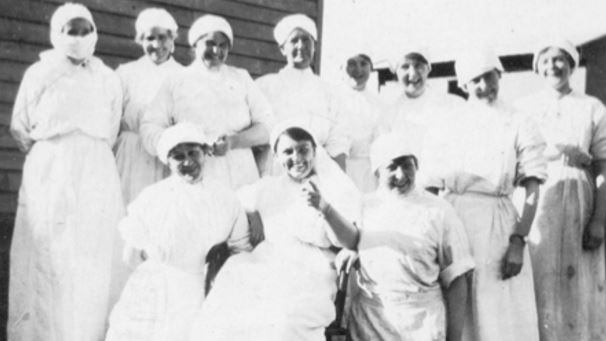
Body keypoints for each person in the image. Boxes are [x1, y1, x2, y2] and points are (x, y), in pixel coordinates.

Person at [8, 3, 124, 340]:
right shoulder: (40, 73)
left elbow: (112, 125)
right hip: (52, 166)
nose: (78, 38)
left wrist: (88, 150)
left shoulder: (107, 77)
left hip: (96, 168)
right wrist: (54, 153)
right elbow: (21, 125)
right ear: (57, 34)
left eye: (85, 30)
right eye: (70, 31)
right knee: (52, 250)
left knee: (93, 250)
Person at [188, 125, 361, 341]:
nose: (296, 158)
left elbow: (350, 240)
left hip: (311, 270)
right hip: (268, 264)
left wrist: (325, 209)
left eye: (303, 150)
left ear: (314, 152)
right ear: (277, 156)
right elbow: (231, 203)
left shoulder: (332, 188)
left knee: (283, 320)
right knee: (227, 307)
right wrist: (251, 213)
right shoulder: (269, 187)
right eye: (288, 152)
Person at [428, 50, 548, 341]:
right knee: (459, 298)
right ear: (464, 85)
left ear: (500, 76)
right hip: (455, 219)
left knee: (497, 308)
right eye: (475, 80)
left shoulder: (519, 121)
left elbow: (533, 188)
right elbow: (430, 184)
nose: (483, 85)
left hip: (499, 224)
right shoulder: (448, 121)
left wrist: (519, 240)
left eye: (489, 76)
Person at [106, 123, 252, 341]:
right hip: (154, 287)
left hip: (197, 290)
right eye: (178, 156)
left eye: (193, 153)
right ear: (167, 161)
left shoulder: (225, 198)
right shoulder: (153, 196)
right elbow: (131, 252)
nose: (187, 162)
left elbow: (240, 248)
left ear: (205, 153)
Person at [338, 133, 474, 341]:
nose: (401, 175)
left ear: (416, 167)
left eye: (407, 165)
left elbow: (457, 279)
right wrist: (352, 248)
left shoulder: (440, 211)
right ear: (377, 171)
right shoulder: (364, 207)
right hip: (372, 320)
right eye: (391, 167)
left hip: (423, 322)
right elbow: (351, 240)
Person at [514, 39, 606, 340]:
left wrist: (599, 219)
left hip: (577, 195)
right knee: (539, 278)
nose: (554, 66)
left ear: (571, 63)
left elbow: (603, 167)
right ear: (538, 66)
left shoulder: (591, 106)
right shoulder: (524, 107)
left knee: (575, 282)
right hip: (535, 197)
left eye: (561, 59)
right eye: (547, 60)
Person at [140, 14, 272, 189]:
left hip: (241, 172)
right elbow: (150, 126)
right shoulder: (176, 81)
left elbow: (267, 124)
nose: (216, 51)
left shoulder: (241, 78)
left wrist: (234, 141)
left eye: (222, 45)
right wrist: (181, 146)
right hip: (193, 171)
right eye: (210, 43)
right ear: (195, 44)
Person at [256, 14, 350, 171]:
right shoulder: (264, 86)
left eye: (306, 40)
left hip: (318, 168)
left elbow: (338, 140)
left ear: (315, 46)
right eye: (294, 40)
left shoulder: (328, 91)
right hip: (275, 169)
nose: (301, 46)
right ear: (282, 48)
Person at [114, 8, 183, 204]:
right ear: (140, 40)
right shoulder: (125, 73)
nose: (156, 45)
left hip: (166, 158)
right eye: (149, 38)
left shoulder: (184, 76)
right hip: (130, 156)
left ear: (172, 39)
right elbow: (112, 117)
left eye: (162, 38)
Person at [380, 49, 464, 187]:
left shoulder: (452, 106)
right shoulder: (389, 114)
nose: (413, 73)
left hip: (444, 192)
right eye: (405, 67)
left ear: (428, 69)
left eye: (418, 65)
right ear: (396, 71)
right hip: (406, 192)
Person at [339, 51, 382, 193]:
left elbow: (380, 141)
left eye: (364, 64)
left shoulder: (377, 104)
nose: (358, 69)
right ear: (342, 69)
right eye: (352, 64)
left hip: (367, 171)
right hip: (340, 167)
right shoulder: (333, 99)